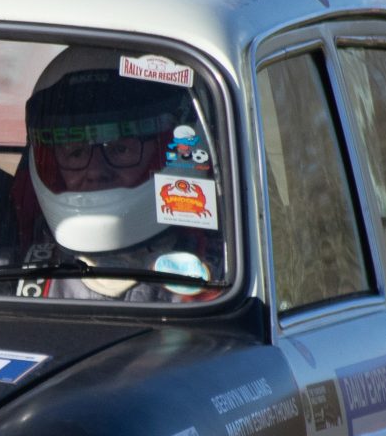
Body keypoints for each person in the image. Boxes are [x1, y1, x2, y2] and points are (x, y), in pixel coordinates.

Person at [11, 46, 225, 301]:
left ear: (175, 149)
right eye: (76, 153)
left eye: (120, 149)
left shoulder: (231, 271)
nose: (95, 171)